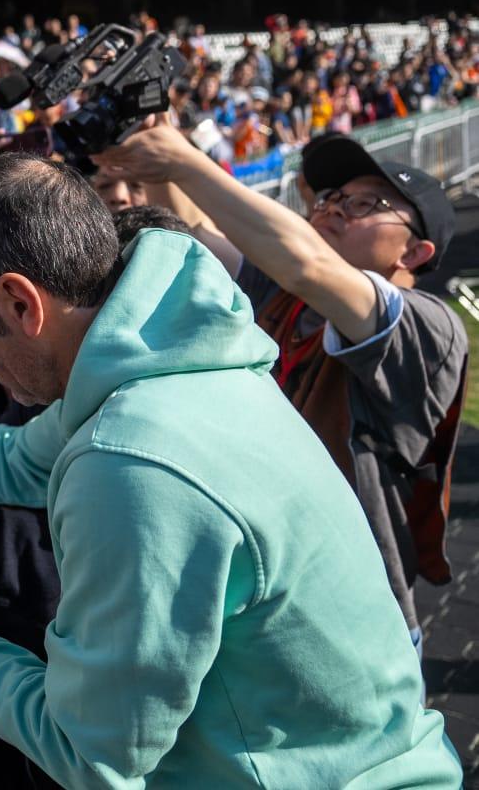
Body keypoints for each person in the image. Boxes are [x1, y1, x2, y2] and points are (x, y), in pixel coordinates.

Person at [0, 153, 461, 788]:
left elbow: (91, 754)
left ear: (19, 303)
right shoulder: (173, 357)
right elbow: (10, 459)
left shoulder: (129, 463)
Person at [96, 126, 467, 655]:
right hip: (271, 599)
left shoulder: (426, 326)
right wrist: (156, 137)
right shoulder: (289, 296)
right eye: (333, 196)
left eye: (367, 203)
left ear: (414, 252)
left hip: (357, 620)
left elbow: (306, 263)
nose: (335, 207)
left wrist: (184, 161)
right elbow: (194, 233)